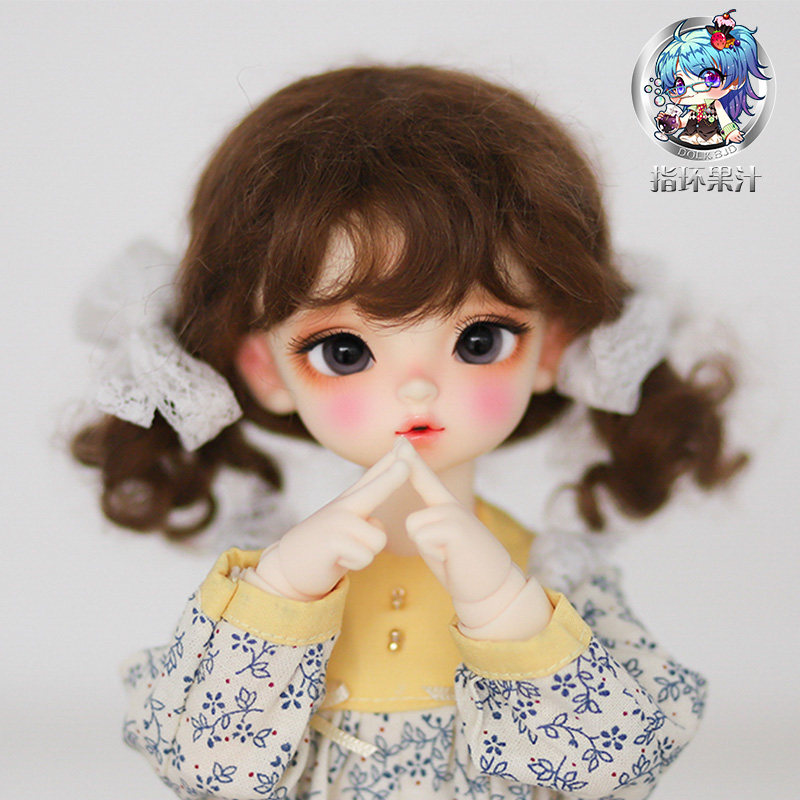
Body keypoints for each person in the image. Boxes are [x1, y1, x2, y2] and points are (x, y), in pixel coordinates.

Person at [74, 65, 744, 799]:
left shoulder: (551, 577)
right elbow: (205, 768)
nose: (418, 387)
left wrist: (505, 610)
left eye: (480, 340)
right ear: (264, 367)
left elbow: (616, 768)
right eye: (345, 351)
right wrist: (283, 593)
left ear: (553, 347)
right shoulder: (269, 586)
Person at [653, 9, 769, 146]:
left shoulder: (716, 105)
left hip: (711, 139)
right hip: (689, 138)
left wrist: (731, 132)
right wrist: (675, 123)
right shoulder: (693, 108)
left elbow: (724, 119)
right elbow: (685, 121)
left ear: (736, 81)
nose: (691, 90)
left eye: (710, 78)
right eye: (680, 84)